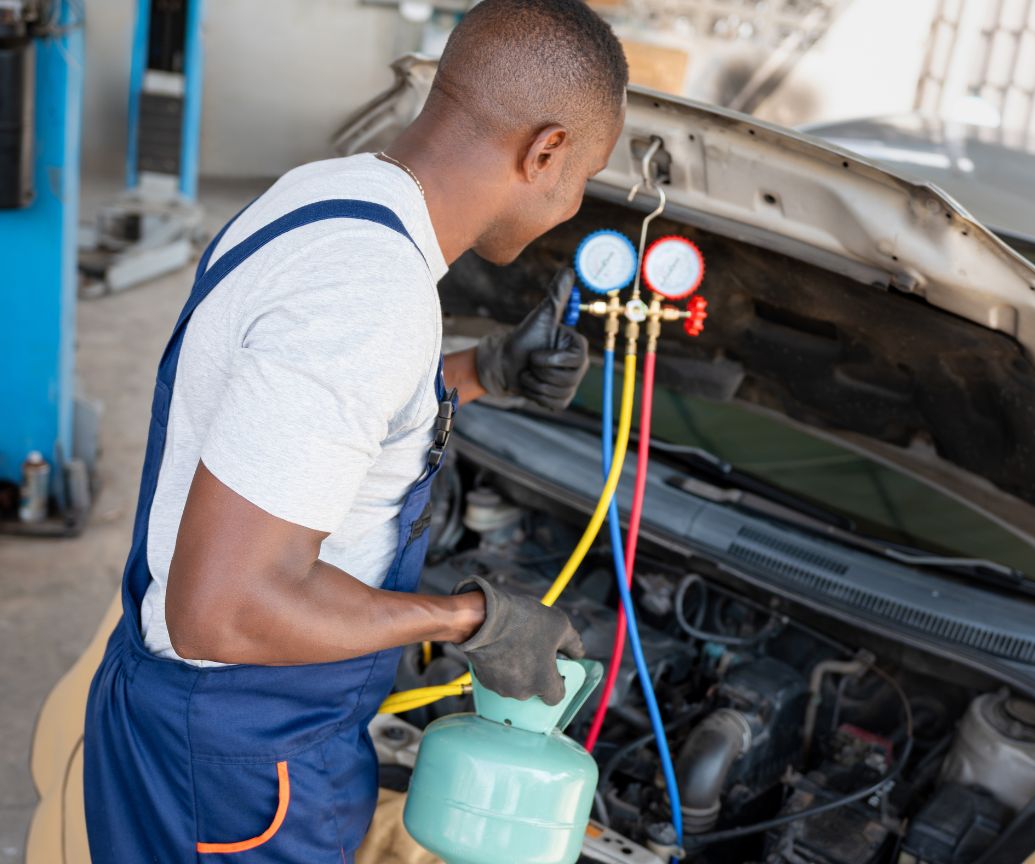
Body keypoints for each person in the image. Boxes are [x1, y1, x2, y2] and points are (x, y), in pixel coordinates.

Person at [81, 1, 629, 859]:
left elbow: (303, 421)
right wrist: (469, 620)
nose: (568, 207)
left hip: (211, 725)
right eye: (582, 179)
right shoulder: (368, 296)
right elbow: (222, 611)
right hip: (241, 756)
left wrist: (481, 373)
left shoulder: (329, 195)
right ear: (546, 150)